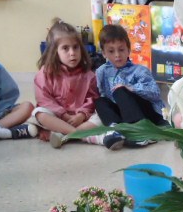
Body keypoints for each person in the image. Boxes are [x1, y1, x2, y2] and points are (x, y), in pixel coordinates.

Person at [33, 19, 123, 150]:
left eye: (75, 47)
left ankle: (64, 135)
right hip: (56, 117)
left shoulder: (88, 75)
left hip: (81, 119)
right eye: (65, 48)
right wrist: (63, 114)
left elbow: (92, 99)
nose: (72, 53)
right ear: (55, 51)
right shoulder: (46, 73)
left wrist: (81, 115)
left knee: (101, 115)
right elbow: (44, 100)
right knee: (39, 113)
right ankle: (84, 136)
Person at [95, 24, 165, 147]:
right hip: (124, 116)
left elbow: (155, 93)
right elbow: (103, 94)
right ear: (104, 53)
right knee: (100, 101)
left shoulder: (139, 70)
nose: (117, 55)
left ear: (128, 50)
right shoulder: (101, 71)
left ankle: (139, 131)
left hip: (147, 115)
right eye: (111, 51)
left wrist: (131, 88)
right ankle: (115, 130)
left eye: (121, 50)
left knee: (119, 91)